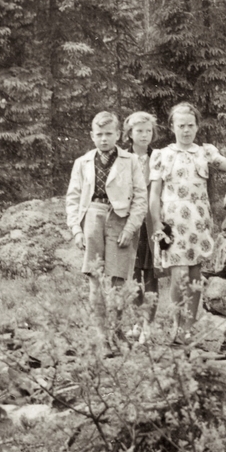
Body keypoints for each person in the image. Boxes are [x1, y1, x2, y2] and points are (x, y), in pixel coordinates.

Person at [148, 102, 226, 342]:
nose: (186, 130)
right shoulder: (161, 155)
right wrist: (156, 223)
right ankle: (176, 325)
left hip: (199, 221)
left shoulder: (206, 152)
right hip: (171, 223)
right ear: (172, 127)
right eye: (181, 126)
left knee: (195, 274)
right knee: (178, 275)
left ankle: (189, 327)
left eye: (190, 125)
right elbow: (154, 195)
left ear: (197, 127)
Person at [65, 112, 148, 343]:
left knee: (118, 280)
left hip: (120, 220)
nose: (104, 139)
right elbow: (73, 198)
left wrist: (130, 228)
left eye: (109, 134)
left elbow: (141, 197)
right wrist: (76, 229)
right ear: (92, 135)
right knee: (94, 277)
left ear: (118, 135)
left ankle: (115, 329)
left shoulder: (130, 161)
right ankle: (101, 333)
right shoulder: (82, 162)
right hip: (92, 218)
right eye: (99, 134)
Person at [124, 111, 160, 335]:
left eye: (148, 131)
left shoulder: (158, 157)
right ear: (130, 133)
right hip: (130, 221)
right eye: (139, 131)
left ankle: (149, 324)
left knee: (152, 274)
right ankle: (138, 322)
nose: (144, 135)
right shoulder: (122, 158)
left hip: (153, 221)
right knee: (133, 273)